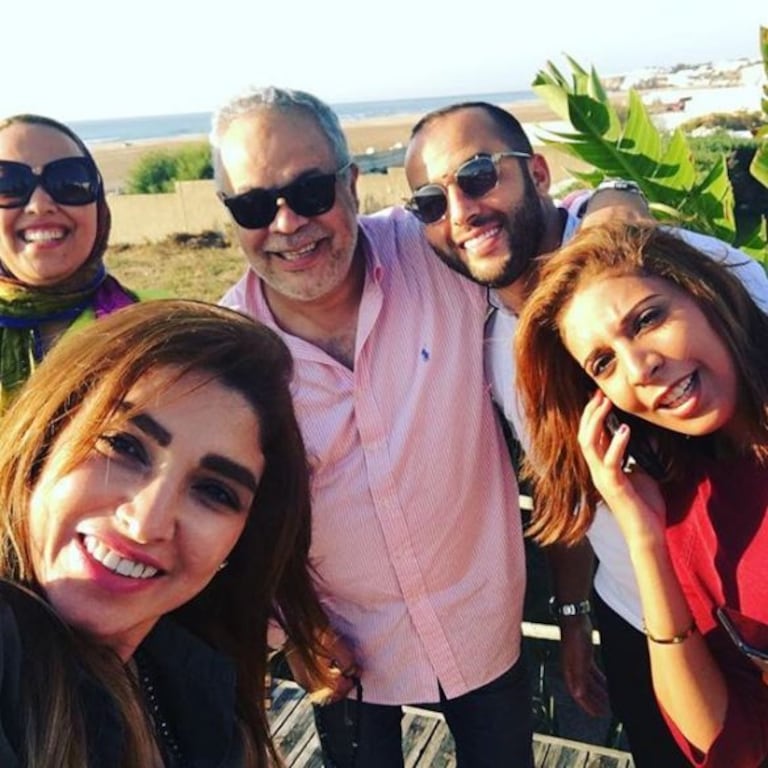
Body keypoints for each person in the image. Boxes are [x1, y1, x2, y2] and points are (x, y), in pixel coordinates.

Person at [404, 100, 768, 765]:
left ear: (538, 174)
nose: (460, 211)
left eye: (478, 175)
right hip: (640, 614)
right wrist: (572, 613)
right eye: (430, 203)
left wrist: (617, 194)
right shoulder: (491, 341)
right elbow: (567, 493)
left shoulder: (665, 265)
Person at [211, 86, 533, 767]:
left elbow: (544, 223)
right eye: (253, 205)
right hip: (342, 649)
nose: (287, 223)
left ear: (351, 183)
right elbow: (225, 517)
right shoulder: (226, 357)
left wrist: (615, 197)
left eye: (310, 191)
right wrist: (288, 629)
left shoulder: (435, 251)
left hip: (480, 621)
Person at [0, 299, 337, 768]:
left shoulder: (193, 674)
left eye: (214, 492)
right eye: (122, 445)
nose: (146, 524)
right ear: (46, 441)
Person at [515, 221, 768, 767]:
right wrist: (644, 538)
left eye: (648, 319)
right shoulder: (690, 512)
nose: (639, 368)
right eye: (604, 364)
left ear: (705, 292)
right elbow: (724, 741)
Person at [0, 114, 142, 408]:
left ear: (99, 205)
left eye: (70, 181)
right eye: (8, 185)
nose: (40, 205)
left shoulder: (160, 321)